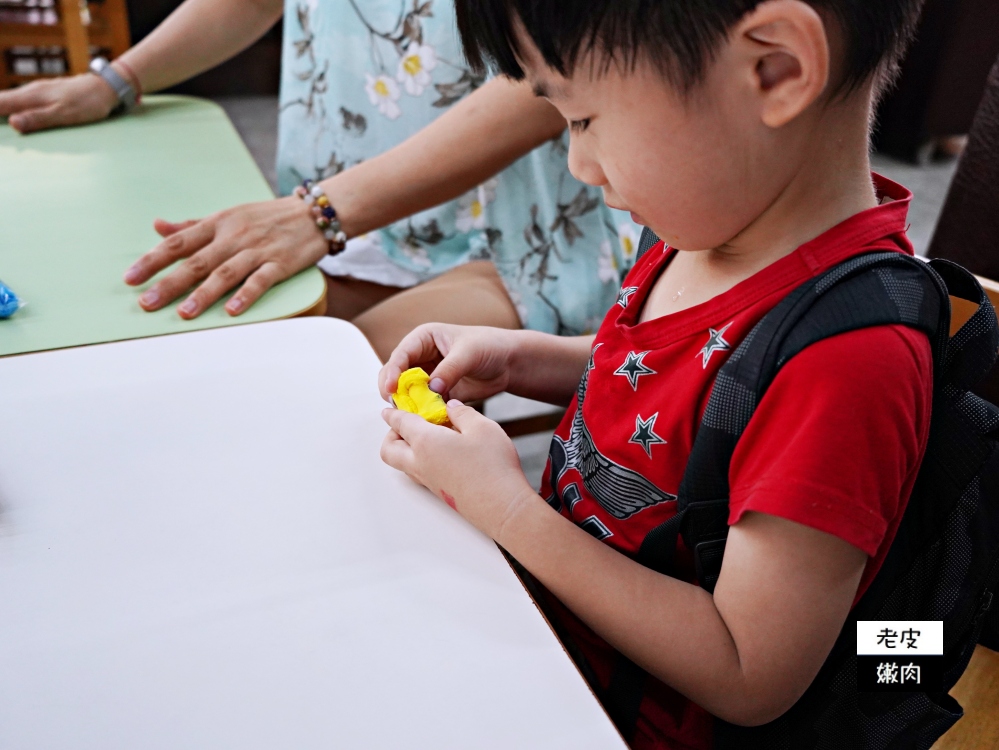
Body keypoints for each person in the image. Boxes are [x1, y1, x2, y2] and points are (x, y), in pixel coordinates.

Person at [377, 0, 930, 747]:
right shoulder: (707, 223)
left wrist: (504, 510)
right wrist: (523, 358)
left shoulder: (847, 360)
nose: (576, 162)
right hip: (544, 644)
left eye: (584, 118)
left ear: (774, 69)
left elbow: (746, 671)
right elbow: (675, 385)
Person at [0, 0, 640, 360]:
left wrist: (322, 215)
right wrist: (117, 81)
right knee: (171, 348)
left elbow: (553, 73)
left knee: (305, 384)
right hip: (342, 214)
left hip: (517, 240)